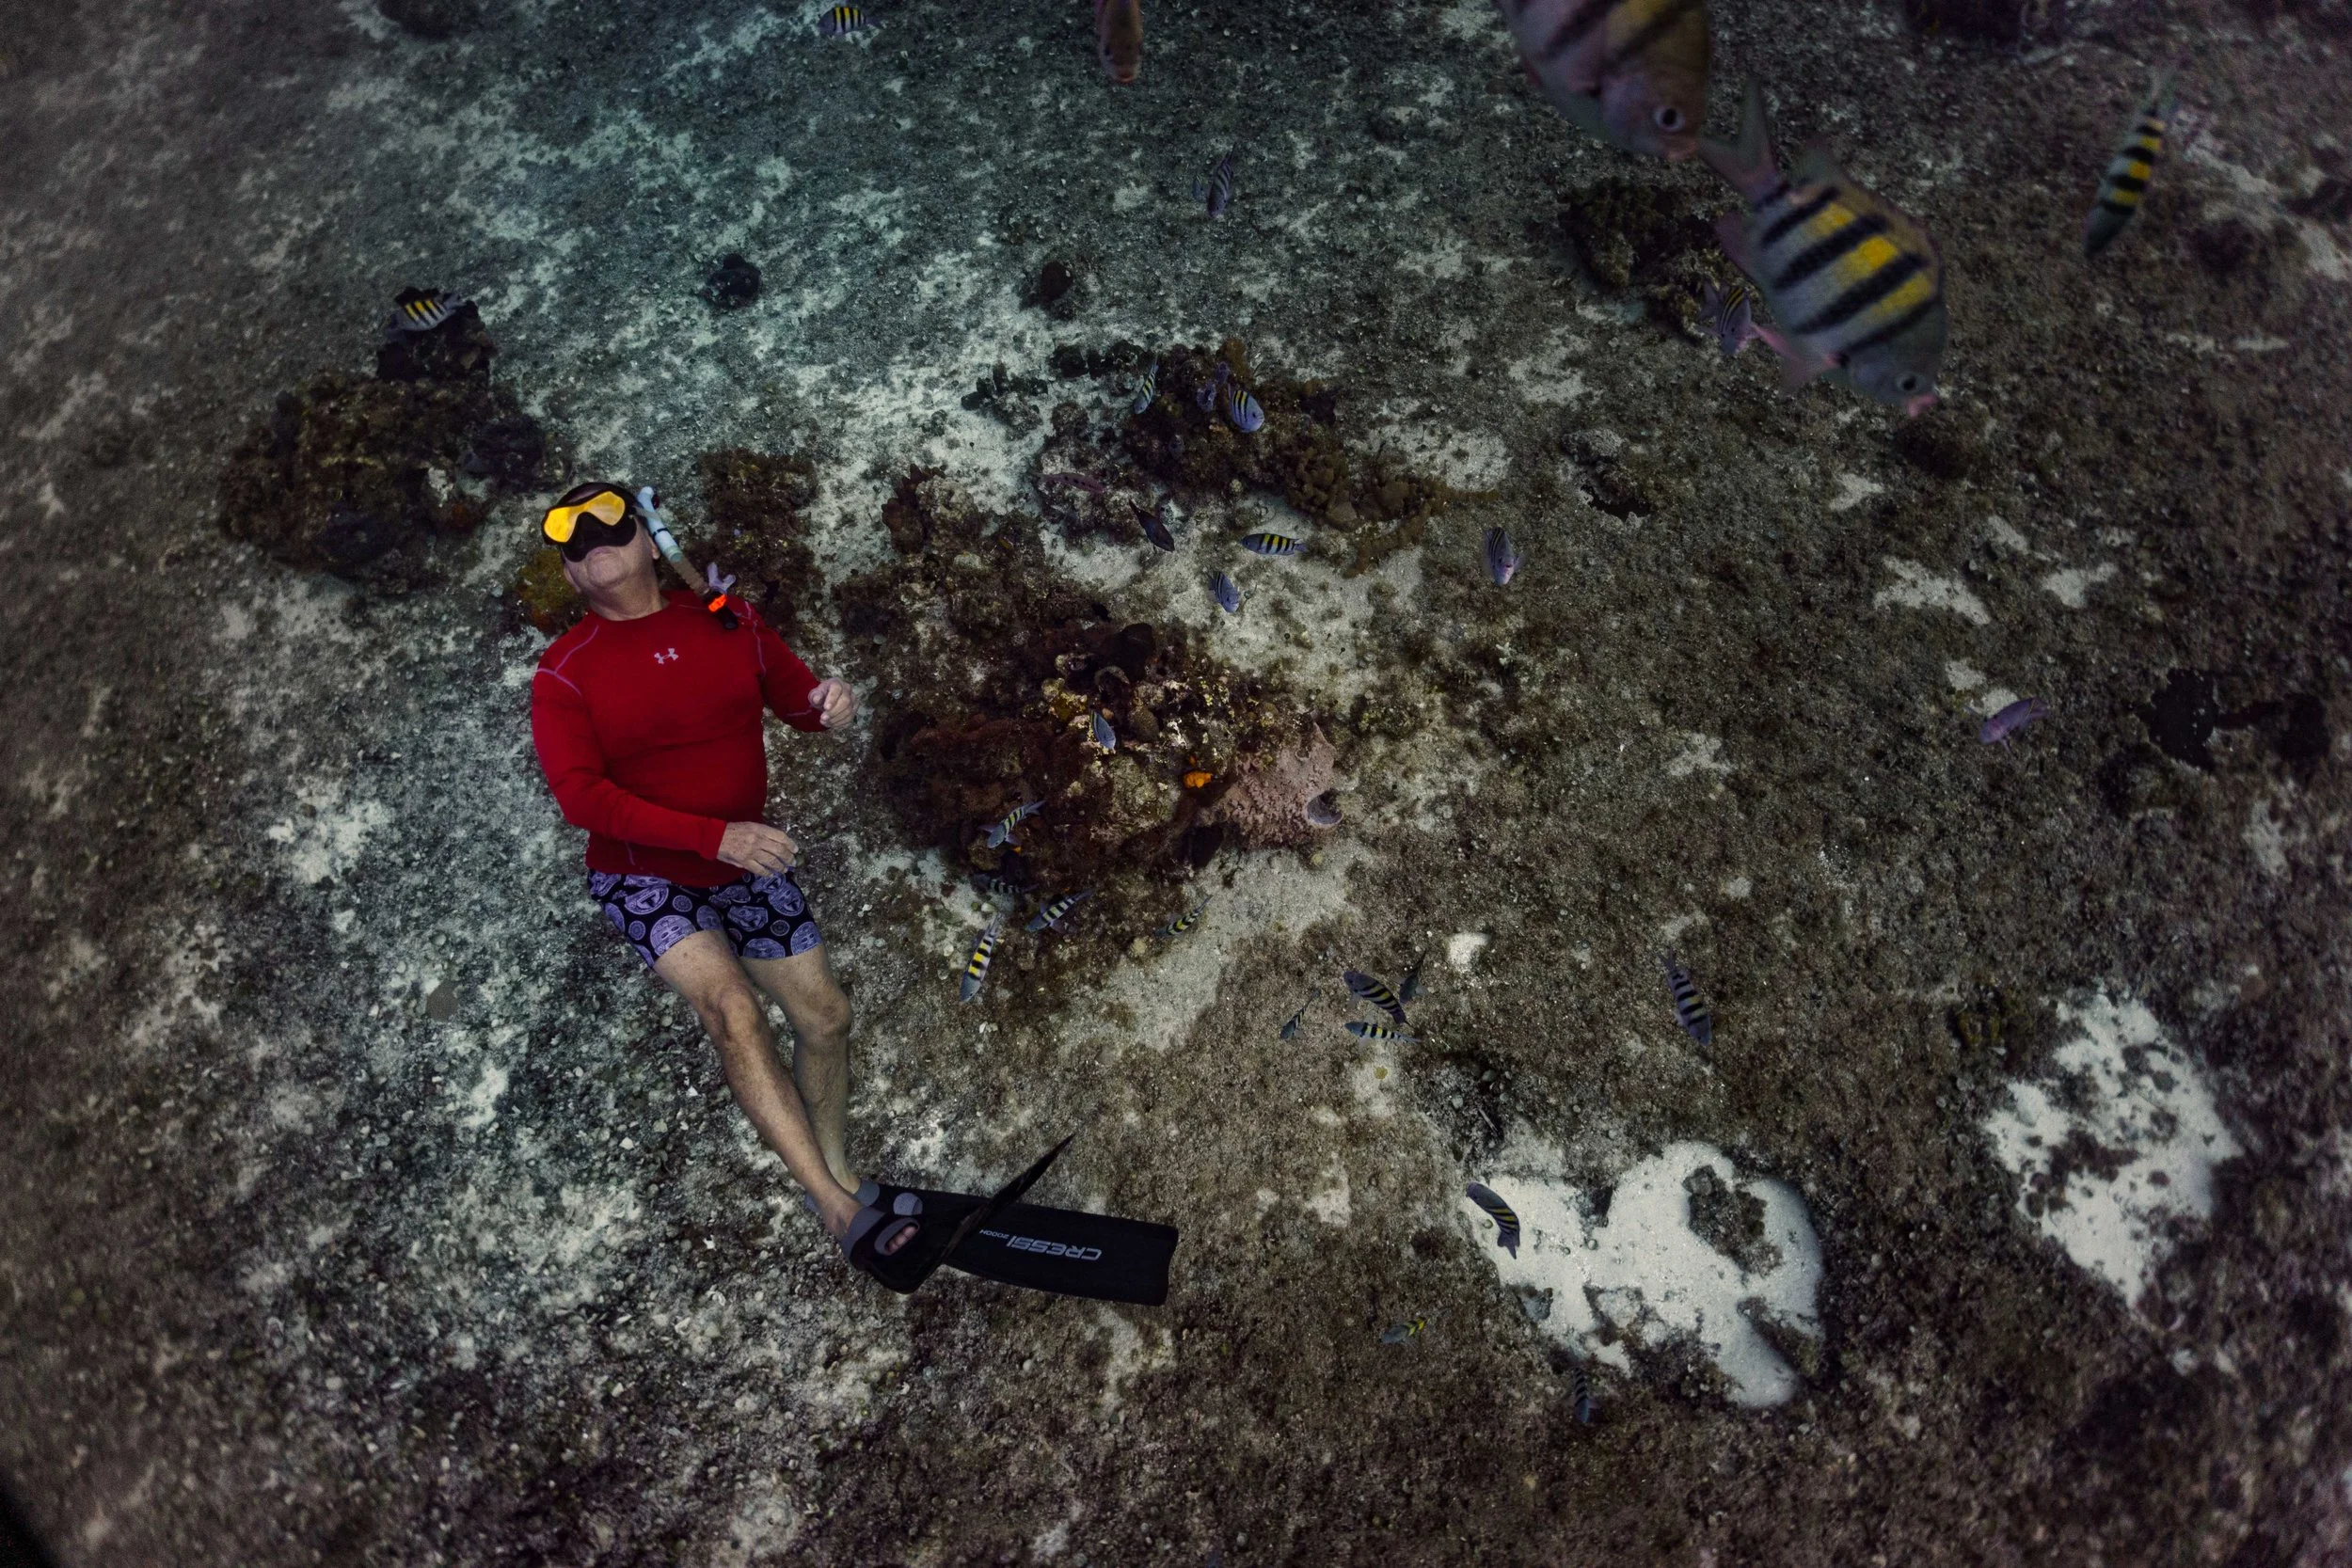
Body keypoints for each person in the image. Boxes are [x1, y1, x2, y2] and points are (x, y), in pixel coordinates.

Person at [529, 482, 917, 1262]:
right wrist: (716, 839)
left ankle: (835, 1164)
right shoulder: (563, 673)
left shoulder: (726, 619)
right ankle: (835, 1205)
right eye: (570, 541)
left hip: (744, 854)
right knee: (732, 1010)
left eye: (608, 522)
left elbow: (799, 702)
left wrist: (829, 704)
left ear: (648, 540)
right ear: (570, 578)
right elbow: (581, 799)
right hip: (644, 875)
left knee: (826, 1018)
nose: (590, 541)